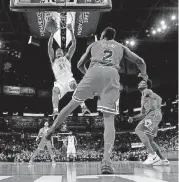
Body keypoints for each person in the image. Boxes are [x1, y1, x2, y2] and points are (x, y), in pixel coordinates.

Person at [46, 27, 148, 174]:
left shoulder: (94, 45)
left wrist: (92, 78)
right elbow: (140, 61)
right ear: (113, 37)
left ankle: (52, 128)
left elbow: (80, 64)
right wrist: (144, 76)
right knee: (108, 119)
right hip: (112, 75)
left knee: (70, 105)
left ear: (101, 36)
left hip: (92, 72)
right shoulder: (121, 47)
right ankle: (106, 161)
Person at [48, 23, 90, 120]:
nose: (58, 51)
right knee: (54, 91)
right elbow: (49, 46)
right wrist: (52, 34)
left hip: (69, 79)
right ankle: (55, 111)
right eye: (56, 50)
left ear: (63, 52)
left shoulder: (67, 58)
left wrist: (71, 31)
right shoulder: (53, 60)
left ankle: (83, 107)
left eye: (60, 50)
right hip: (59, 82)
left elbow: (74, 45)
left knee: (74, 85)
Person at [128, 80, 170, 165]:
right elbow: (143, 114)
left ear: (146, 85)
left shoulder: (146, 91)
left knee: (138, 129)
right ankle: (163, 159)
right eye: (139, 82)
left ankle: (152, 154)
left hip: (154, 114)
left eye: (142, 82)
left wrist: (157, 109)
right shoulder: (143, 98)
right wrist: (133, 118)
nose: (139, 83)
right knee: (150, 140)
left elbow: (159, 98)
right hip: (152, 116)